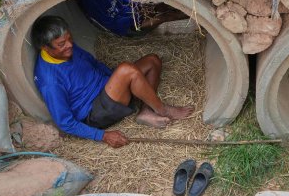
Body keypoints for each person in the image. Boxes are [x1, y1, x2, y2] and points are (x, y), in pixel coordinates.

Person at [32, 15, 193, 148]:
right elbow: (65, 122)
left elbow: (93, 63)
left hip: (107, 91)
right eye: (61, 44)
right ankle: (162, 110)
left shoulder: (66, 50)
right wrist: (102, 135)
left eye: (69, 38)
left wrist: (118, 81)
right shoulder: (50, 81)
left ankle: (146, 111)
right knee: (126, 70)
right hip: (94, 112)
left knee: (152, 61)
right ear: (45, 48)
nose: (69, 45)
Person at [77, 0, 189, 38]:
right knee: (164, 17)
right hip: (127, 28)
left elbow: (124, 1)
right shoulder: (90, 1)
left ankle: (191, 11)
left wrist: (138, 7)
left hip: (131, 16)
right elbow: (113, 24)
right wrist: (136, 17)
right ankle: (193, 17)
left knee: (161, 6)